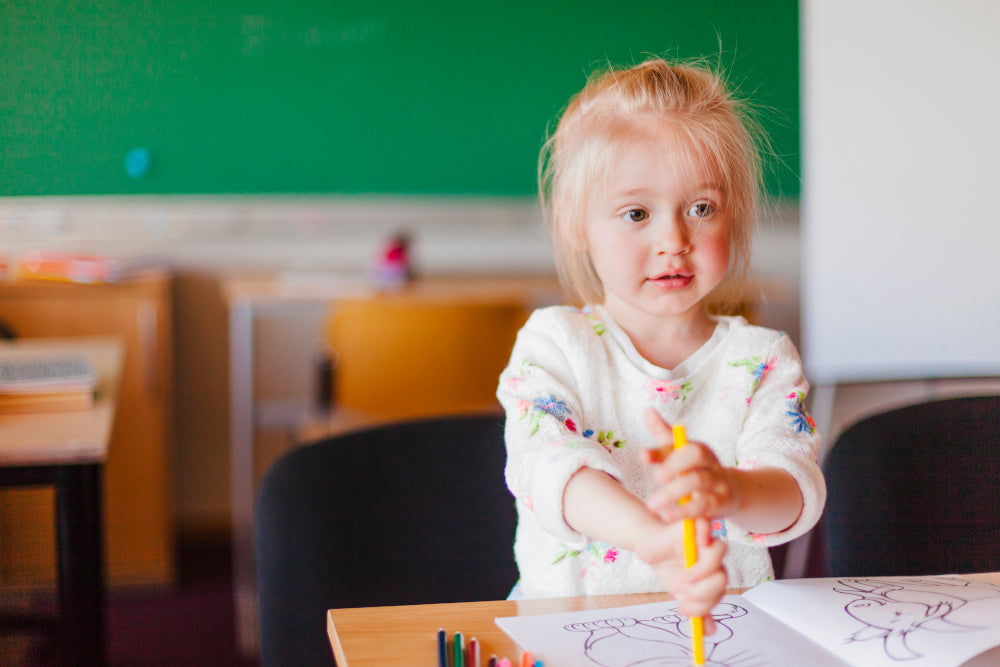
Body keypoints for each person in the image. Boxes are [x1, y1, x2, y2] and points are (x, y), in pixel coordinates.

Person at [496, 58, 826, 627]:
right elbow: (549, 467)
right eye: (636, 213)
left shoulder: (762, 361)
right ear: (578, 224)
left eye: (702, 208)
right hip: (570, 634)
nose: (673, 239)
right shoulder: (555, 344)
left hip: (725, 638)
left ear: (737, 217)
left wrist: (732, 490)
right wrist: (654, 539)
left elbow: (795, 493)